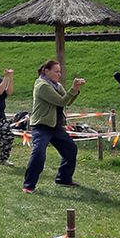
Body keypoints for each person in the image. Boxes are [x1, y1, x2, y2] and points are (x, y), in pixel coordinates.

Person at [23, 60, 85, 193]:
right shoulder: (42, 85)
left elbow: (67, 102)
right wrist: (72, 89)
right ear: (46, 71)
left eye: (60, 71)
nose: (59, 74)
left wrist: (76, 90)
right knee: (39, 153)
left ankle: (63, 178)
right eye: (56, 71)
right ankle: (28, 185)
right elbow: (61, 101)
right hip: (41, 126)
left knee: (70, 149)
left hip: (55, 126)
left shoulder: (56, 85)